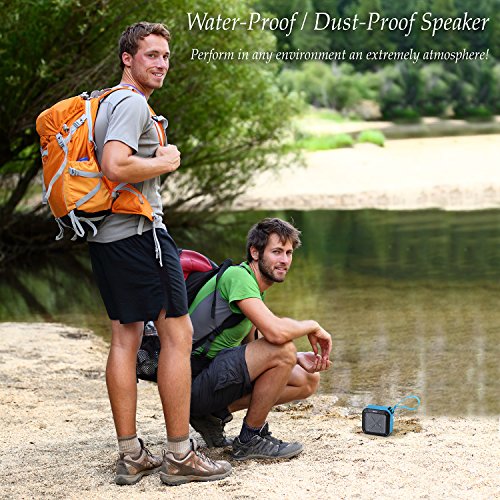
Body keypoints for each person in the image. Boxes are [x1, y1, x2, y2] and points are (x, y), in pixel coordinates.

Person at [87, 21, 231, 486]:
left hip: (107, 238)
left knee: (124, 338)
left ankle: (131, 454)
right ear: (127, 59)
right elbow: (114, 165)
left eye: (165, 56)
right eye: (151, 55)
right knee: (178, 334)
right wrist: (163, 162)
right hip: (140, 234)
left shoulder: (107, 101)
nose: (161, 63)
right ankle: (180, 455)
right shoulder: (131, 103)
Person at [189, 218, 332, 459]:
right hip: (190, 384)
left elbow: (253, 346)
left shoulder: (254, 288)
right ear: (255, 253)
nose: (284, 260)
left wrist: (296, 359)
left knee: (308, 379)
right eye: (276, 252)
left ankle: (212, 416)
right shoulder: (238, 277)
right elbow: (276, 334)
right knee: (284, 349)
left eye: (288, 253)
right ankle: (250, 439)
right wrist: (312, 325)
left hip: (207, 382)